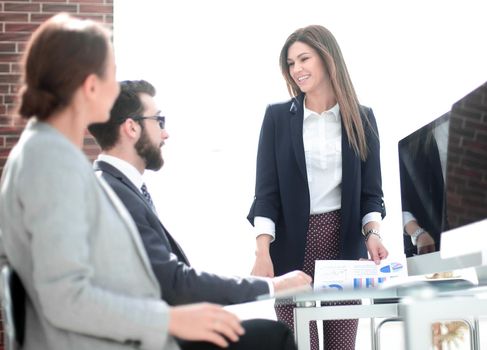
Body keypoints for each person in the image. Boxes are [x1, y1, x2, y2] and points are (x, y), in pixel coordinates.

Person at [0, 13, 280, 350]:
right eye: (112, 73)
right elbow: (66, 298)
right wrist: (172, 319)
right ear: (91, 85)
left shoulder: (46, 152)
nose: (115, 86)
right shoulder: (51, 160)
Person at [88, 79, 311, 303]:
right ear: (132, 127)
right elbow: (174, 282)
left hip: (166, 321)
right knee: (274, 335)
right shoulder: (113, 194)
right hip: (155, 330)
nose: (165, 134)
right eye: (159, 121)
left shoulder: (113, 187)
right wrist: (273, 285)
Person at [247, 25, 389, 350]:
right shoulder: (277, 118)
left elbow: (371, 193)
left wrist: (373, 233)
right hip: (290, 249)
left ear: (327, 58)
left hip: (343, 249)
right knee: (298, 344)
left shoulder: (362, 119)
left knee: (341, 347)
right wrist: (262, 251)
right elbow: (266, 195)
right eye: (291, 63)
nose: (296, 69)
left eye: (304, 59)